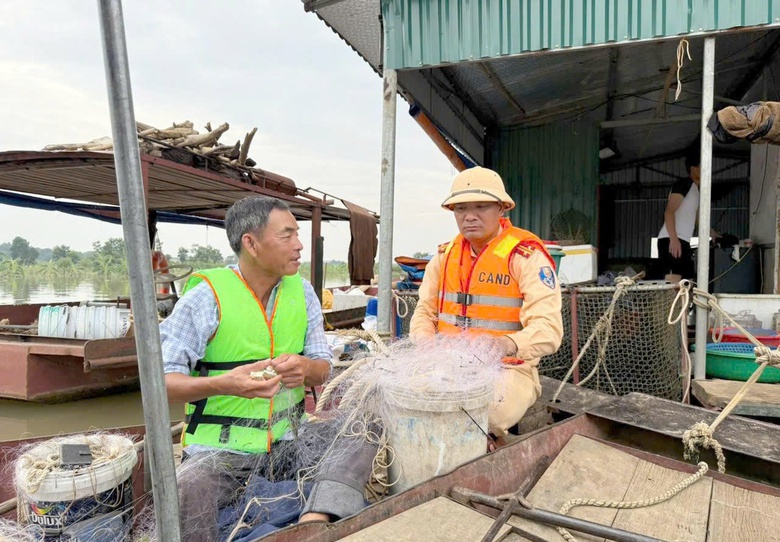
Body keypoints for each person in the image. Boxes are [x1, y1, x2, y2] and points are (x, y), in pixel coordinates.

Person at [160, 196, 374, 541]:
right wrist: (226, 384)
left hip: (291, 440)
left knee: (364, 429)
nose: (299, 245)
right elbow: (161, 383)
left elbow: (322, 370)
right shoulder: (206, 297)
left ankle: (315, 519)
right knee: (188, 486)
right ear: (251, 243)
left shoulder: (302, 292)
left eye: (297, 235)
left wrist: (304, 367)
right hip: (222, 452)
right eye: (286, 236)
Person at [409, 167, 563, 443]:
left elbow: (549, 330)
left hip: (508, 368)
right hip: (446, 365)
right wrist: (425, 345)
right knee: (406, 399)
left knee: (484, 412)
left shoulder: (526, 256)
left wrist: (505, 344)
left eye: (481, 206)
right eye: (461, 208)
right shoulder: (444, 257)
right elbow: (424, 313)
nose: (469, 216)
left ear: (502, 208)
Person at [656, 146, 719, 282]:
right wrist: (673, 239)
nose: (706, 169)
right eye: (703, 165)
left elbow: (696, 218)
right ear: (693, 168)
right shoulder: (683, 184)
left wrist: (711, 232)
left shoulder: (697, 190)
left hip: (683, 240)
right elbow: (669, 212)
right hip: (670, 239)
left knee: (687, 283)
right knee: (673, 285)